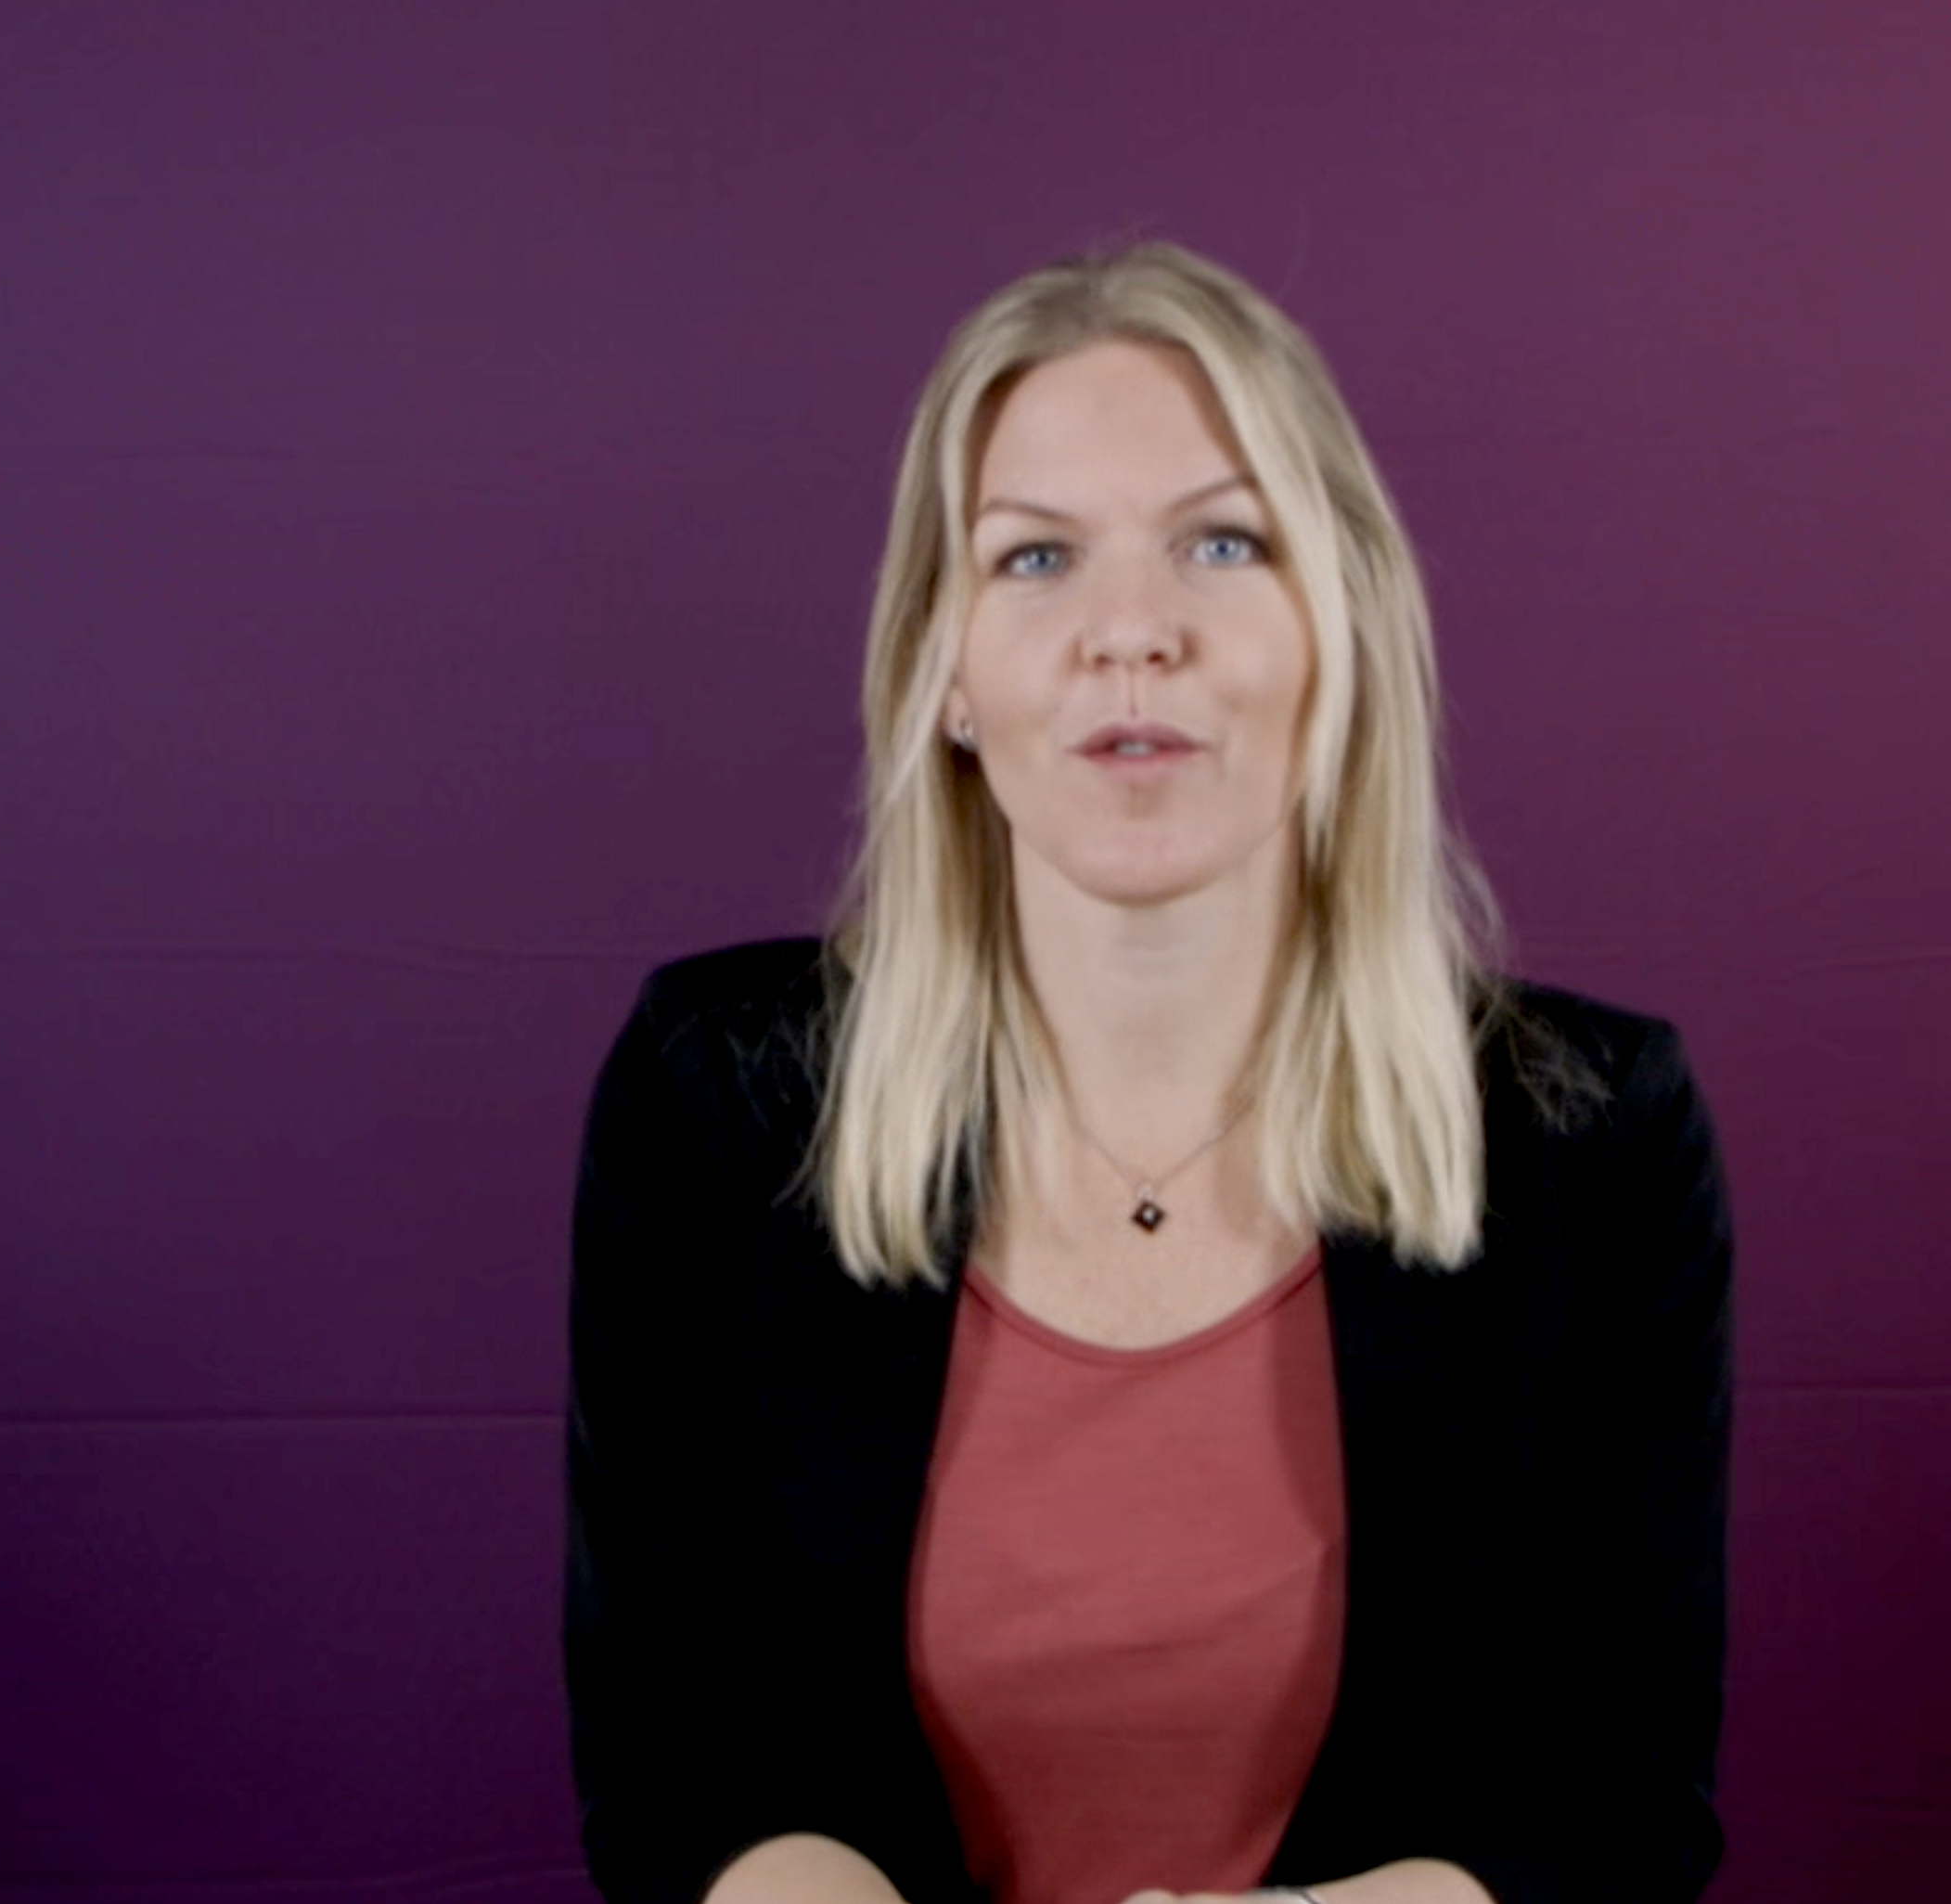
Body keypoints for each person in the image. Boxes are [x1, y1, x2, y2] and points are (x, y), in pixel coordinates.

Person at [565, 241, 1733, 1904]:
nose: (1131, 632)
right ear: (945, 670)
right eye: (1035, 557)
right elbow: (678, 1756)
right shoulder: (712, 1102)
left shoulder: (1595, 1138)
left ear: (1338, 628)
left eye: (1222, 542)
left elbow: (1619, 1804)